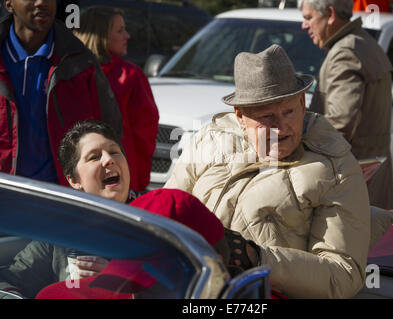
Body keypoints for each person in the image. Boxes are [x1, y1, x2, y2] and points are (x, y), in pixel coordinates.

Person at [164, 44, 371, 298]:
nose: (281, 127)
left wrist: (257, 258)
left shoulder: (336, 167)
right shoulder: (210, 139)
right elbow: (167, 212)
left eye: (289, 111)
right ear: (239, 115)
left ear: (303, 104)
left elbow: (343, 275)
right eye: (266, 117)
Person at [0, 120, 228, 299]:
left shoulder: (161, 213)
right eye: (94, 157)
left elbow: (210, 269)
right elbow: (8, 282)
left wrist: (121, 278)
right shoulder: (61, 233)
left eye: (114, 151)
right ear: (74, 180)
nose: (108, 160)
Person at [0, 0, 123, 186]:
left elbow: (110, 132)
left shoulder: (81, 62)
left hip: (63, 200)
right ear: (9, 4)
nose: (42, 2)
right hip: (7, 196)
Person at [301, 0, 393, 210]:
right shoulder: (364, 43)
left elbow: (339, 123)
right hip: (368, 184)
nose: (304, 25)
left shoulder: (345, 52)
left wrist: (294, 140)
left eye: (308, 18)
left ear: (331, 14)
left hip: (351, 188)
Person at [74, 6, 159, 192]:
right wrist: (138, 180)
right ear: (101, 35)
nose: (127, 36)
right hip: (119, 181)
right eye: (120, 30)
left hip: (74, 180)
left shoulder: (66, 72)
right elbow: (145, 134)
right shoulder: (129, 75)